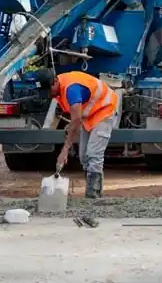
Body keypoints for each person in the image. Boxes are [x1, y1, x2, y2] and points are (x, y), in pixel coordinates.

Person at [33, 69, 120, 199]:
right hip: (91, 115)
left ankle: (93, 195)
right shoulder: (59, 87)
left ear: (55, 81)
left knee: (93, 154)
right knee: (84, 156)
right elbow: (76, 119)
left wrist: (65, 150)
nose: (48, 94)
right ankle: (93, 190)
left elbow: (76, 121)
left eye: (49, 91)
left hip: (105, 109)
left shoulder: (71, 90)